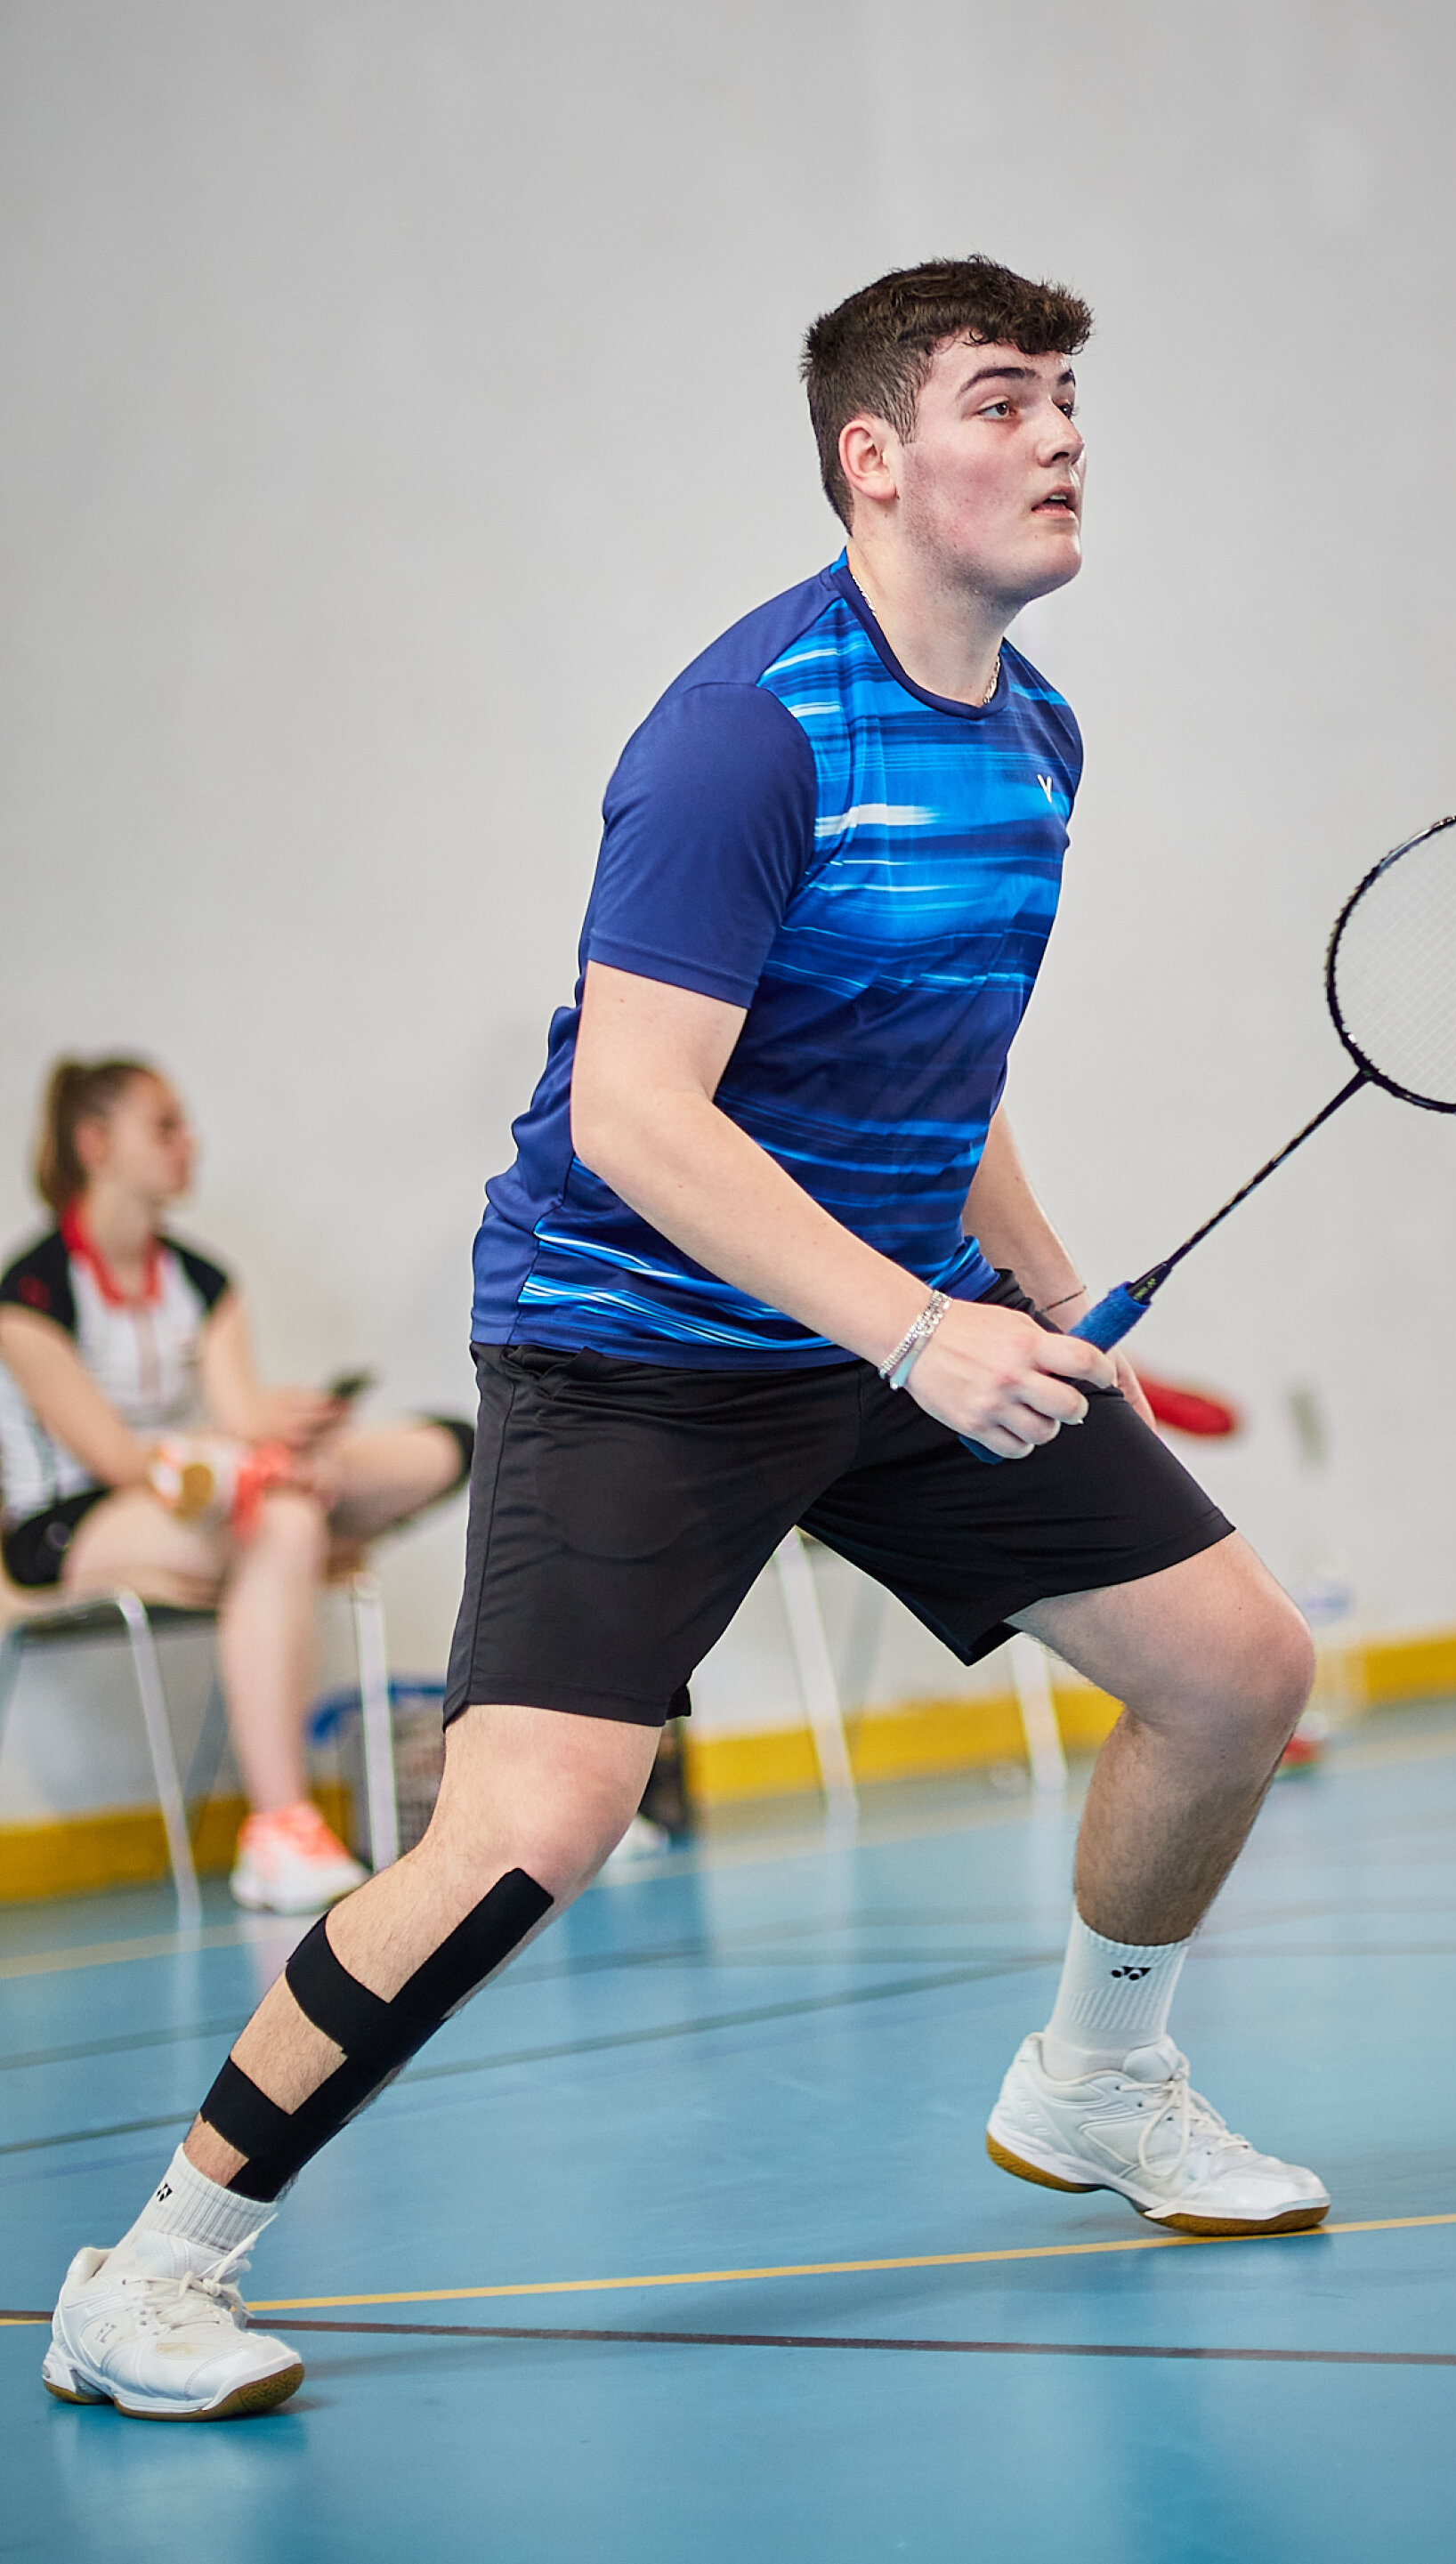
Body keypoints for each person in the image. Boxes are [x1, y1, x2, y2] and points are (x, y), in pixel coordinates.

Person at [42, 257, 1325, 2424]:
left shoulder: (1034, 737)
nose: (1060, 434)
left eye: (1067, 395)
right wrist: (919, 1334)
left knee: (1235, 1669)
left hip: (886, 1318)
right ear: (873, 458)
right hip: (634, 1340)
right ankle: (150, 2267)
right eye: (1002, 399)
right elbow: (639, 1114)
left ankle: (1098, 2080)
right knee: (533, 1821)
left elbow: (940, 1057)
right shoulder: (746, 734)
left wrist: (1033, 1291)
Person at [0, 1057, 473, 1914]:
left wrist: (288, 1431)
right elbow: (115, 1458)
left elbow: (240, 1411)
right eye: (165, 1126)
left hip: (206, 1497)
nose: (190, 1142)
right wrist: (249, 1459)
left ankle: (307, 1512)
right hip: (74, 1523)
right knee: (283, 1521)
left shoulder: (201, 1280)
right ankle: (280, 1829)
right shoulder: (29, 1294)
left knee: (438, 1449)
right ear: (95, 1144)